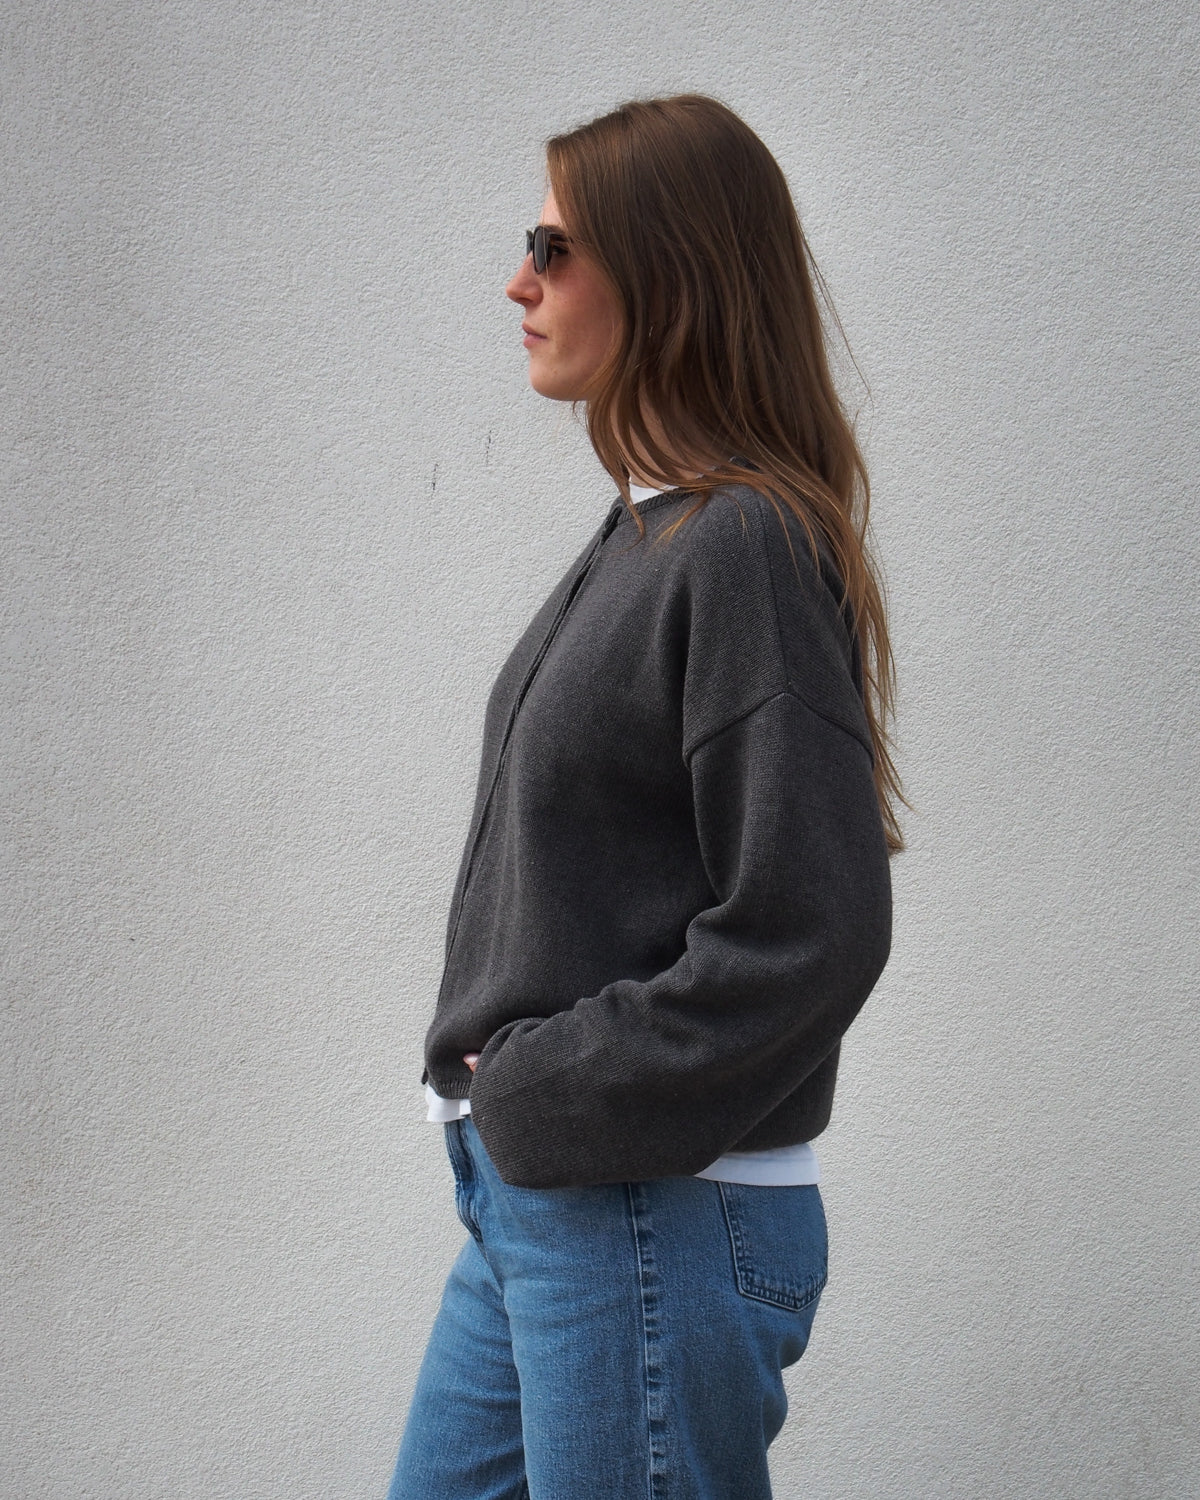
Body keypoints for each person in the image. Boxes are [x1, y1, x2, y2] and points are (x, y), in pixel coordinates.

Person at [388, 93, 901, 1500]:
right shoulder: (648, 533)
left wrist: (549, 1085)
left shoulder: (735, 544)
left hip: (647, 1214)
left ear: (663, 273)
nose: (519, 280)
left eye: (552, 246)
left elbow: (814, 926)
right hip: (551, 1207)